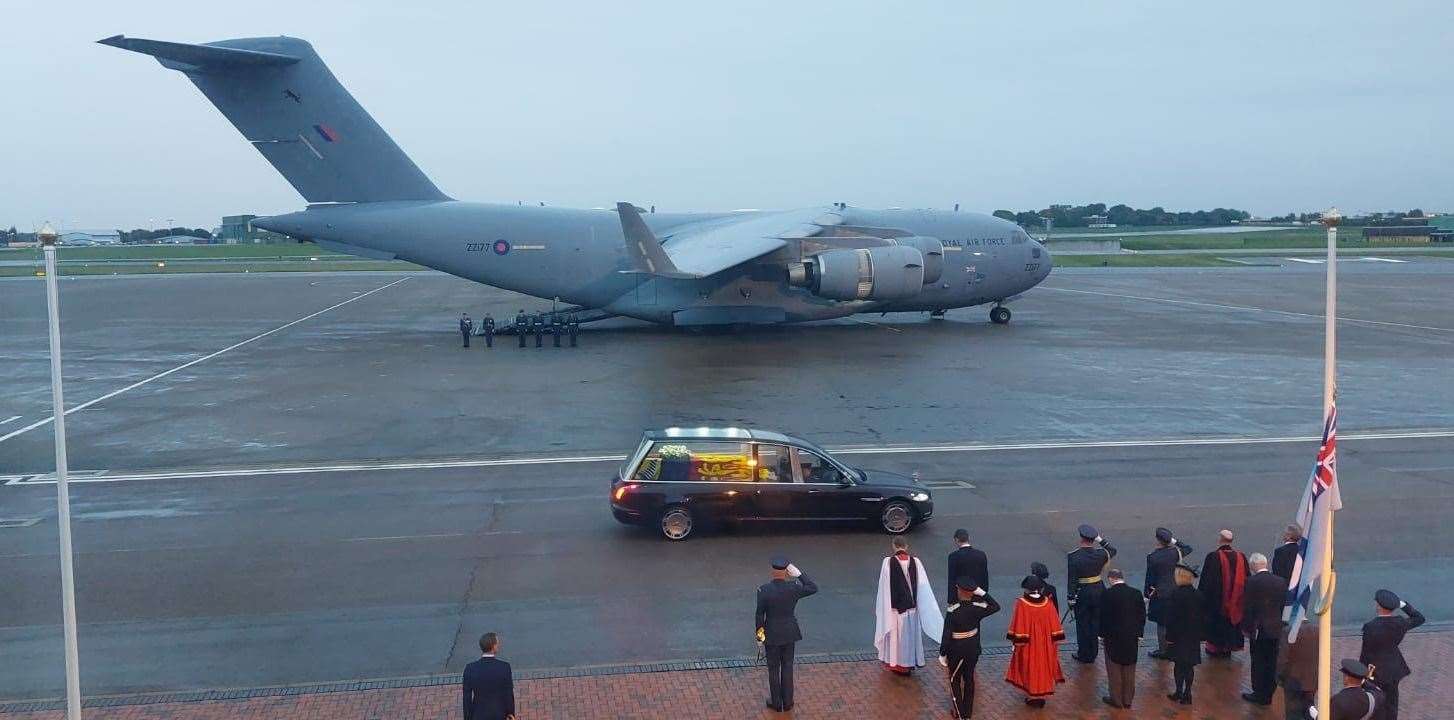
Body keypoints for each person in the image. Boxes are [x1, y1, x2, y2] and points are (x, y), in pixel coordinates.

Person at [755, 555, 818, 712]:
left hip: (772, 634)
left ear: (772, 571)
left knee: (773, 669)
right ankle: (788, 702)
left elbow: (759, 615)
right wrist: (800, 574)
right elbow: (813, 587)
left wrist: (760, 637)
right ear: (786, 572)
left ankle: (776, 703)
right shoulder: (794, 588)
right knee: (788, 667)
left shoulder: (764, 590)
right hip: (790, 633)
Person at [873, 537, 943, 675]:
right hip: (911, 608)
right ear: (906, 546)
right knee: (909, 637)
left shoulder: (887, 562)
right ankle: (909, 663)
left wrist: (883, 608)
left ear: (894, 546)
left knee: (896, 640)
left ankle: (896, 664)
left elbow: (884, 587)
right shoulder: (916, 562)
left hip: (894, 609)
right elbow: (923, 586)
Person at [939, 576, 1000, 719]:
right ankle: (967, 713)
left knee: (954, 680)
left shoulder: (953, 610)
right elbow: (996, 606)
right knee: (969, 679)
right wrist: (982, 593)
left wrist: (942, 653)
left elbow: (947, 634)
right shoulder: (977, 608)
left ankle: (960, 715)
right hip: (973, 649)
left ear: (960, 591)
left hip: (957, 650)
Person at [1359, 589, 1424, 720]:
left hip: (1376, 671)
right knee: (1392, 702)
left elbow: (1366, 652)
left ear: (1378, 606)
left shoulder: (1370, 627)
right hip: (1394, 668)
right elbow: (1419, 618)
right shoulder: (1399, 623)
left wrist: (1361, 672)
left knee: (1376, 702)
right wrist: (1403, 605)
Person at [1004, 575, 1065, 708]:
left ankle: (1032, 696)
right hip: (1045, 644)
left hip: (1029, 643)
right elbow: (1055, 625)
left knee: (1030, 666)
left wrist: (1016, 642)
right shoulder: (1048, 603)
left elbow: (1018, 624)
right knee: (1043, 666)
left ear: (1026, 589)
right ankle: (1041, 695)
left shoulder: (1022, 604)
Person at [1066, 524, 1116, 663]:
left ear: (1082, 538)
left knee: (1082, 624)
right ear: (1093, 539)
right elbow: (1112, 550)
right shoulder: (1100, 554)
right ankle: (1093, 653)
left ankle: (1084, 653)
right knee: (1095, 622)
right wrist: (1100, 539)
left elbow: (1072, 580)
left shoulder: (1074, 556)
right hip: (1099, 590)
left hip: (1083, 593)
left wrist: (1070, 598)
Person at [1241, 552, 1284, 706]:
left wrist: (1246, 628)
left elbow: (1248, 607)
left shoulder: (1251, 582)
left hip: (1259, 629)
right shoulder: (1280, 581)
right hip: (1275, 628)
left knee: (1258, 661)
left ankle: (1259, 693)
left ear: (1253, 566)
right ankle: (1269, 691)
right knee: (1271, 661)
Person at [1098, 568, 1145, 709]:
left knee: (1114, 669)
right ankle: (1128, 699)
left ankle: (1116, 699)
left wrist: (1101, 635)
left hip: (1113, 637)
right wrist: (1139, 634)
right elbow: (1142, 615)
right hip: (1131, 637)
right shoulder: (1136, 593)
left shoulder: (1107, 594)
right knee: (1130, 668)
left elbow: (1103, 617)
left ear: (1111, 579)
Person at [1198, 529, 1248, 657]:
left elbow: (1206, 581)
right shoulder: (1241, 557)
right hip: (1235, 599)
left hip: (1218, 601)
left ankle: (1216, 648)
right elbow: (1247, 578)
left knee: (1217, 625)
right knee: (1231, 624)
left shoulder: (1213, 557)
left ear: (1220, 539)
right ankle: (1229, 647)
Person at [1145, 527, 1192, 659]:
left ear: (1158, 540)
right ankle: (1175, 646)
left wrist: (1147, 593)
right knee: (1174, 620)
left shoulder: (1153, 557)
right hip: (1175, 590)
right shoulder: (1176, 552)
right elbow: (1188, 548)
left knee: (1161, 623)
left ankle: (1163, 650)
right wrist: (1174, 541)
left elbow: (1150, 578)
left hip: (1161, 592)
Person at [1165, 563, 1204, 706]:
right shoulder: (1198, 594)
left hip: (1178, 636)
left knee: (1179, 665)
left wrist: (1169, 638)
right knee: (1189, 666)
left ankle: (1178, 691)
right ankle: (1188, 693)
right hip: (1192, 636)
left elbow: (1171, 618)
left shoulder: (1176, 594)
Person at [462, 632, 515, 720]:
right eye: (497, 643)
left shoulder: (470, 668)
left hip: (478, 714)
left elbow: (466, 698)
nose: (499, 645)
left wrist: (468, 717)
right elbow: (508, 693)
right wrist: (510, 712)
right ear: (493, 646)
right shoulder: (504, 667)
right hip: (499, 714)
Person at [1278, 621, 1319, 720]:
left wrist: (1279, 676)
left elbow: (1283, 659)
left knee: (1293, 712)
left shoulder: (1287, 631)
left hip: (1293, 680)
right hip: (1311, 680)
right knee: (1309, 710)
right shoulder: (1318, 630)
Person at [946, 528, 989, 604]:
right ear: (969, 538)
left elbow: (952, 580)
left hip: (962, 598)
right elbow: (985, 577)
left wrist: (951, 601)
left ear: (956, 540)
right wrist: (984, 596)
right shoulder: (981, 555)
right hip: (977, 597)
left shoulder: (953, 557)